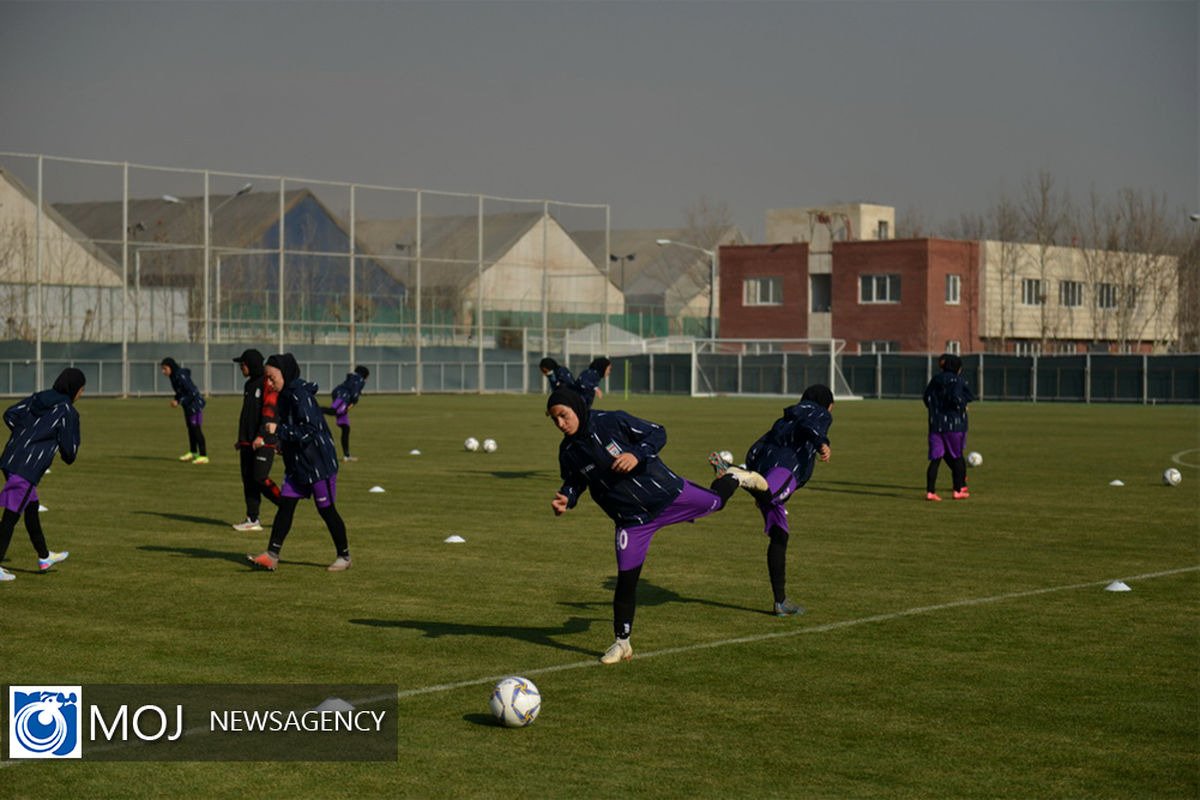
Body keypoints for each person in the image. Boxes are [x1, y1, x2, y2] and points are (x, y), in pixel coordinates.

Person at [547, 387, 740, 664]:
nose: (561, 424)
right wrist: (568, 497)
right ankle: (621, 643)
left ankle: (733, 476)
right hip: (632, 522)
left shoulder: (611, 421)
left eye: (564, 416)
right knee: (626, 579)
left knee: (718, 502)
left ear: (577, 408)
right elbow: (575, 480)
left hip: (669, 495)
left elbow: (657, 432)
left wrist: (636, 454)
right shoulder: (568, 452)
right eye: (555, 420)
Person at [711, 384, 834, 617]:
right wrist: (822, 443)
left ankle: (781, 601)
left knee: (779, 534)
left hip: (764, 465)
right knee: (771, 494)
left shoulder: (787, 417)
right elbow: (810, 427)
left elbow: (761, 444)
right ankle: (735, 473)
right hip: (785, 468)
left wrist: (753, 466)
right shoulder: (819, 412)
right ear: (827, 403)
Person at [248, 354, 351, 572]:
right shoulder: (284, 395)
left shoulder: (300, 395)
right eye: (267, 378)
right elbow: (296, 430)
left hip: (318, 464)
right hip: (297, 464)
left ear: (284, 374)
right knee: (285, 507)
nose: (268, 382)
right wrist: (282, 444)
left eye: (271, 377)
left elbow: (310, 429)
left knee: (326, 510)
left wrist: (280, 431)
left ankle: (344, 556)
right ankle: (271, 555)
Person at [0, 368, 85, 582]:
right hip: (26, 469)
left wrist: (24, 436)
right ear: (75, 389)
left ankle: (44, 557)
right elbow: (70, 454)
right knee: (10, 517)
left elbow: (10, 414)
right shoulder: (67, 411)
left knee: (31, 509)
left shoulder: (39, 396)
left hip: (10, 459)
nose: (81, 395)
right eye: (82, 390)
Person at [232, 349, 282, 532]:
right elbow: (248, 415)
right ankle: (252, 519)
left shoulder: (266, 383)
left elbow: (269, 411)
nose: (241, 368)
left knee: (259, 478)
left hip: (264, 441)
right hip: (247, 442)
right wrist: (242, 439)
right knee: (248, 481)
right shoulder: (249, 385)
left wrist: (262, 435)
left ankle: (284, 504)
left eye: (242, 364)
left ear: (251, 364)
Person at [923, 353, 975, 501]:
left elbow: (926, 398)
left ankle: (930, 492)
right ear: (958, 368)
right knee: (957, 456)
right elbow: (959, 398)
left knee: (936, 458)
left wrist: (935, 409)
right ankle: (958, 489)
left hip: (935, 424)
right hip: (954, 425)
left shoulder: (935, 379)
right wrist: (961, 407)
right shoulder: (958, 381)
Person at [160, 357, 207, 464]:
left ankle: (203, 455)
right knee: (190, 428)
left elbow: (192, 392)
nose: (163, 371)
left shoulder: (181, 376)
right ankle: (193, 452)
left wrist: (179, 401)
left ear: (171, 367)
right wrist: (177, 398)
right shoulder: (173, 376)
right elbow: (180, 391)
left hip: (195, 404)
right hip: (187, 404)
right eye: (162, 369)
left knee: (196, 429)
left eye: (165, 369)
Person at [321, 365, 369, 462]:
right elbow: (355, 392)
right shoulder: (360, 380)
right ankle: (314, 408)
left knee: (345, 427)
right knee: (333, 411)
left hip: (340, 393)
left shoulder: (353, 377)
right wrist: (353, 403)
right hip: (343, 396)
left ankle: (346, 456)